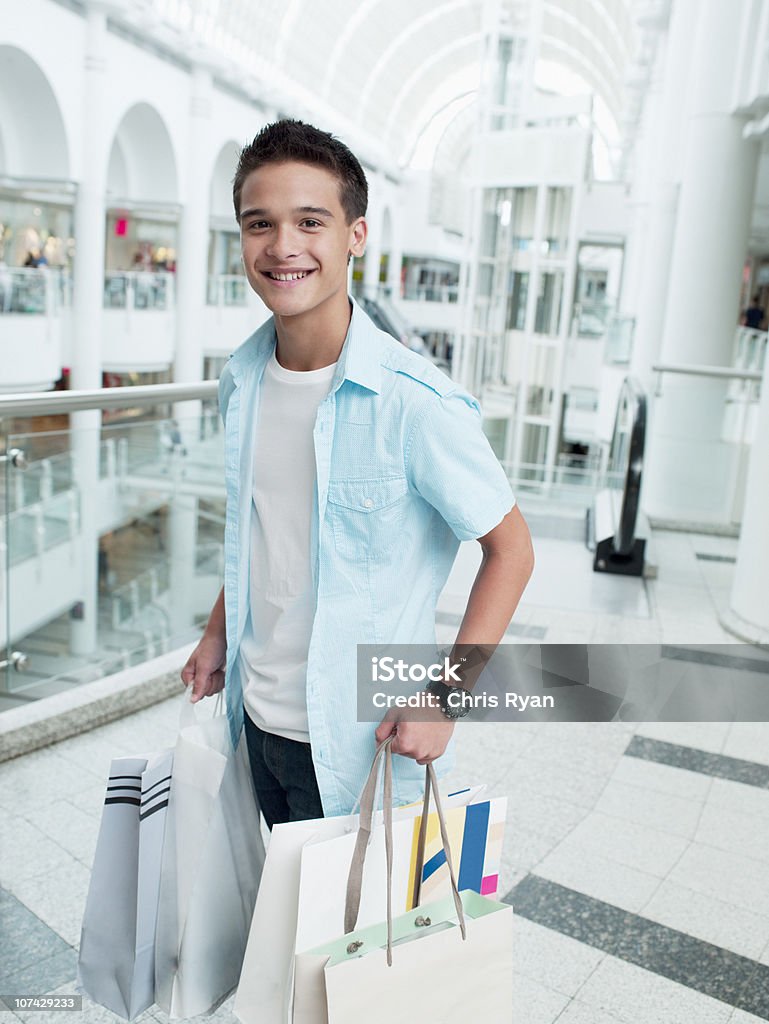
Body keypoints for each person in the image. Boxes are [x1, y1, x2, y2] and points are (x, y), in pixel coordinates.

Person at [181, 119, 534, 827]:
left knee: (359, 939)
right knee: (276, 932)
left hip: (362, 746)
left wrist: (444, 697)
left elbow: (512, 550)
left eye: (310, 221)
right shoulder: (242, 380)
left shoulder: (413, 403)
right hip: (254, 721)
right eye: (260, 224)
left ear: (355, 236)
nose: (282, 247)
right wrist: (218, 634)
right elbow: (257, 528)